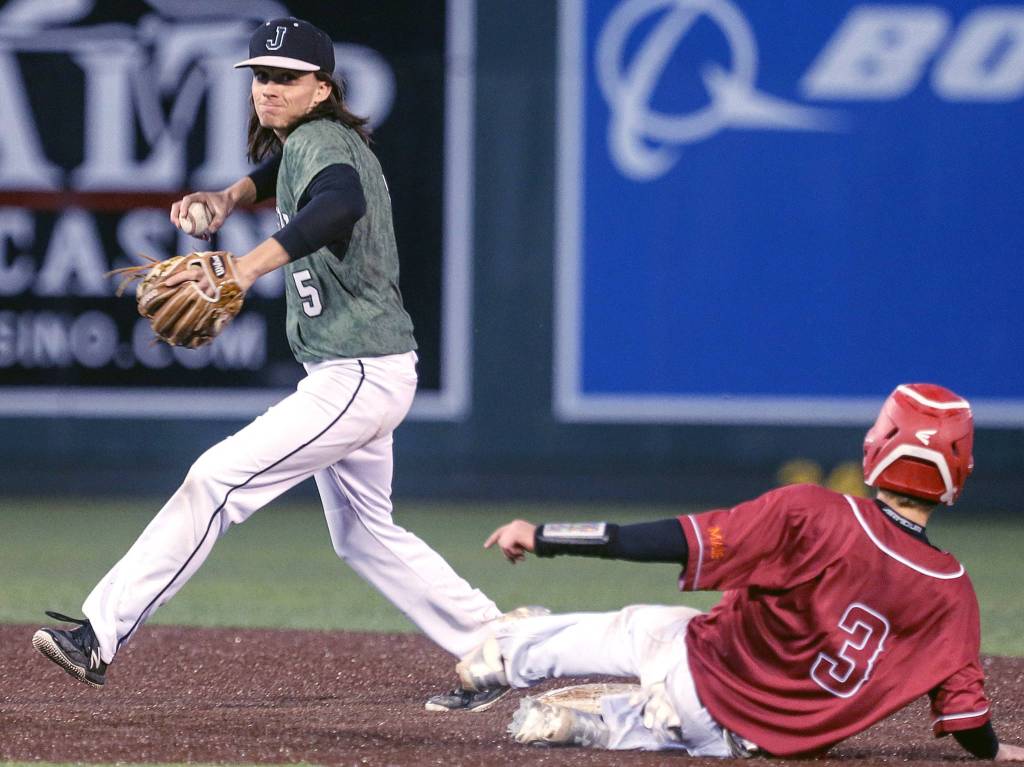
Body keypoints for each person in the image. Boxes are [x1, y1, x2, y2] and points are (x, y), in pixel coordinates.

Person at [31, 15, 518, 713]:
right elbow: (280, 176)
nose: (269, 89)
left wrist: (247, 264)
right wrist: (227, 198)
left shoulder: (324, 141)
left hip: (357, 374)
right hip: (359, 372)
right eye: (262, 76)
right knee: (365, 536)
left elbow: (338, 202)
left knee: (216, 480)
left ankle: (96, 637)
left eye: (287, 78)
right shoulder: (308, 144)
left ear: (321, 88)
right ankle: (500, 645)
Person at [455, 383, 1024, 760]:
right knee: (691, 722)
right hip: (752, 743)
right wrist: (994, 752)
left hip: (705, 673)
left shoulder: (815, 511)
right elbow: (965, 715)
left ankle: (507, 653)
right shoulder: (955, 592)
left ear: (880, 444)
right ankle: (608, 724)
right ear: (958, 473)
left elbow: (672, 540)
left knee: (644, 627)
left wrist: (545, 536)